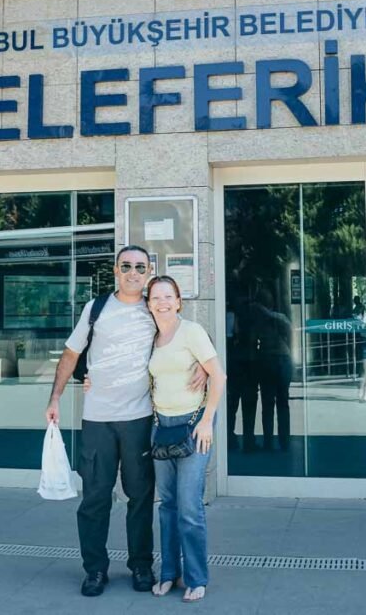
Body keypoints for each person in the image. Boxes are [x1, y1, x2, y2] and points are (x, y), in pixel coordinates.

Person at [45, 245, 205, 598]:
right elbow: (72, 354)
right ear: (116, 270)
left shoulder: (154, 309)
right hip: (98, 419)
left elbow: (187, 342)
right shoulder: (96, 308)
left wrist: (203, 371)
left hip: (139, 419)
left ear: (149, 271)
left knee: (141, 497)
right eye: (126, 266)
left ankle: (140, 565)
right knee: (95, 499)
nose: (133, 272)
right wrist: (55, 396)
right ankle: (95, 570)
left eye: (140, 266)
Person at [143, 276, 226, 603]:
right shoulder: (151, 338)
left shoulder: (191, 331)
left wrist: (207, 421)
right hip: (162, 427)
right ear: (148, 303)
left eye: (168, 296)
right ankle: (169, 573)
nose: (161, 302)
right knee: (167, 506)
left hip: (194, 425)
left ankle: (196, 577)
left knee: (189, 506)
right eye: (155, 297)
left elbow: (218, 374)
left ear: (179, 301)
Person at [252, 287, 293, 451]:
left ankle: (271, 441)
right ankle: (282, 441)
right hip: (280, 359)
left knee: (269, 403)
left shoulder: (268, 318)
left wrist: (260, 309)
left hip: (270, 360)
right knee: (281, 403)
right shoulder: (277, 318)